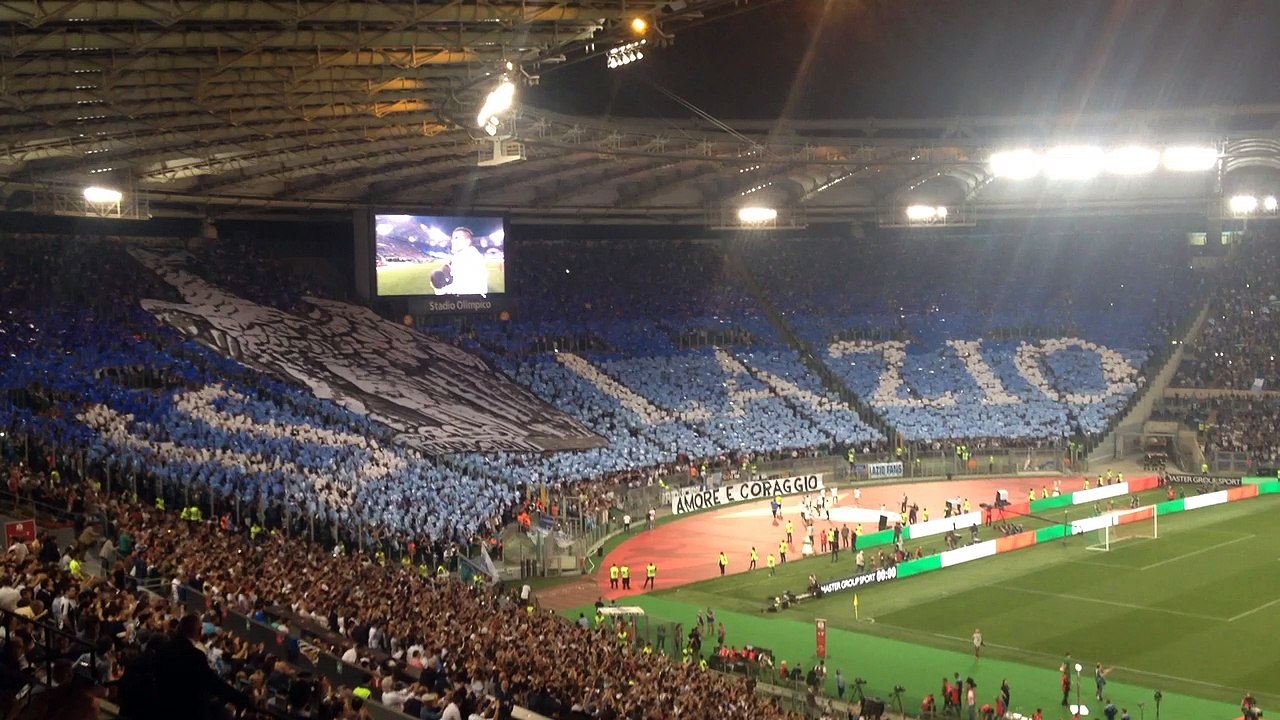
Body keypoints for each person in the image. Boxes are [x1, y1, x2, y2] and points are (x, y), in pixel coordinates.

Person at [148, 614, 253, 720]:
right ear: (198, 631)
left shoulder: (163, 649)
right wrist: (240, 698)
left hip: (162, 709)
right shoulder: (195, 655)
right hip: (186, 712)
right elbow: (214, 683)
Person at [431, 227, 490, 295]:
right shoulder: (466, 254)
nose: (452, 241)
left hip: (470, 302)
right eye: (452, 238)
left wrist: (439, 290)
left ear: (467, 241)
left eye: (456, 238)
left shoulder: (467, 256)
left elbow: (462, 289)